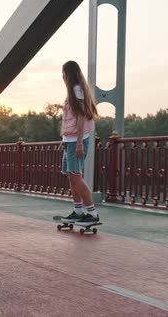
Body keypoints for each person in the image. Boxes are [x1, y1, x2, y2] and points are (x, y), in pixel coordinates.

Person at [59, 61, 99, 226]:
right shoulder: (72, 91)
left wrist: (80, 143)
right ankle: (78, 211)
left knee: (76, 176)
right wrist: (64, 140)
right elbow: (71, 118)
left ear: (68, 74)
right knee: (72, 177)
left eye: (63, 73)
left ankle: (92, 213)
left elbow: (82, 117)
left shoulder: (76, 90)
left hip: (78, 139)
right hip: (70, 139)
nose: (62, 76)